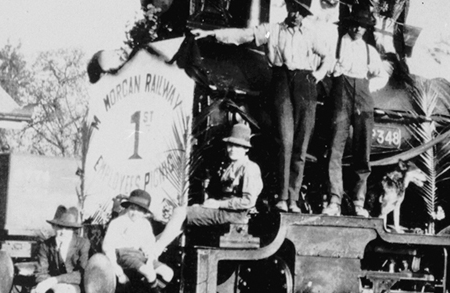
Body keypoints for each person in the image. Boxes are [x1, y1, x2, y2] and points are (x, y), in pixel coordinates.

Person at [193, 0, 333, 213]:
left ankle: (294, 199)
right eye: (294, 9)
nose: (296, 15)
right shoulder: (272, 30)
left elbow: (328, 56)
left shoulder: (310, 34)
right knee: (285, 142)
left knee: (301, 144)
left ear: (305, 15)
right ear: (288, 8)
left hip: (305, 85)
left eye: (301, 12)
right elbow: (245, 35)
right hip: (281, 82)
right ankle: (282, 198)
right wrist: (212, 34)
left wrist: (317, 75)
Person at [156, 123, 264, 250]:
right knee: (184, 215)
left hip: (235, 215)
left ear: (246, 149)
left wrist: (218, 204)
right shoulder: (230, 166)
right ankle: (153, 247)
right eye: (230, 145)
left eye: (237, 146)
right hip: (225, 212)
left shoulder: (250, 168)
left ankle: (155, 249)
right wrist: (205, 206)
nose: (232, 149)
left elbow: (248, 201)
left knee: (180, 212)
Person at [323, 7, 385, 217]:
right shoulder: (336, 45)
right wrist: (334, 71)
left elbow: (381, 75)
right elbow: (324, 67)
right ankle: (334, 200)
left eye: (363, 26)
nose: (358, 29)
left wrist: (367, 88)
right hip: (341, 97)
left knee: (362, 152)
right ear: (348, 25)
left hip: (363, 99)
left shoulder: (370, 51)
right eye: (355, 25)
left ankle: (359, 202)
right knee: (335, 149)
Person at [103, 189, 175, 293]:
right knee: (149, 273)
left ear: (144, 212)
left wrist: (150, 260)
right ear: (127, 208)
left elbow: (149, 245)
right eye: (132, 208)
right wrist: (117, 270)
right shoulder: (118, 223)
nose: (135, 213)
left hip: (140, 255)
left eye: (139, 210)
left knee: (168, 273)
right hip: (123, 255)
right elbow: (108, 247)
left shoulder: (145, 224)